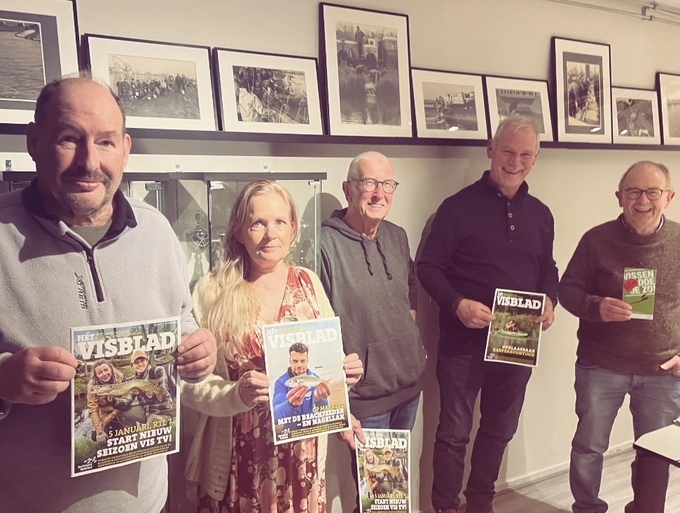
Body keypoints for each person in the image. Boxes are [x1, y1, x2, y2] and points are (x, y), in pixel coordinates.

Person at [0, 75, 217, 513]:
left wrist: (199, 347)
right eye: (69, 138)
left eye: (105, 142)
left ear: (125, 148)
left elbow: (182, 319)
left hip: (149, 502)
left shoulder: (156, 230)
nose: (89, 161)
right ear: (34, 141)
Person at [183, 180, 364, 513]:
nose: (270, 233)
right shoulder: (212, 292)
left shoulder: (308, 282)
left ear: (293, 228)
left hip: (303, 458)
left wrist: (343, 384)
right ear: (238, 230)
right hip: (240, 457)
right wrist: (234, 394)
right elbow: (189, 384)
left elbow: (323, 367)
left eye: (280, 222)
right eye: (258, 223)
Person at [417, 116, 558, 513]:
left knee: (499, 431)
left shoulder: (541, 214)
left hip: (517, 342)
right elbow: (427, 267)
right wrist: (457, 303)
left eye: (525, 154)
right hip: (463, 345)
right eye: (508, 151)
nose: (515, 161)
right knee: (454, 434)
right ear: (490, 150)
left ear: (535, 158)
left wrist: (551, 298)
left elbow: (547, 266)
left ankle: (480, 503)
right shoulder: (456, 208)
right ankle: (445, 506)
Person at [559, 161, 680, 513]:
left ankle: (644, 508)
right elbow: (567, 289)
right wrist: (595, 307)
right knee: (589, 446)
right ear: (619, 197)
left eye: (652, 192)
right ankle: (587, 508)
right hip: (602, 365)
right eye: (633, 192)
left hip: (663, 368)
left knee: (654, 452)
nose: (643, 200)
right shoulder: (596, 240)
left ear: (668, 197)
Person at [272, 342, 330, 421]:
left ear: (307, 360)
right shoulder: (281, 382)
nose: (299, 365)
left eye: (302, 361)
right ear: (290, 361)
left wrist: (319, 400)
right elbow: (275, 416)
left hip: (313, 427)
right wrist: (290, 405)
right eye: (295, 361)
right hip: (292, 431)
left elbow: (323, 410)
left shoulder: (314, 377)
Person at [86, 358, 125, 443]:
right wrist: (99, 431)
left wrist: (110, 417)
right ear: (96, 375)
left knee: (120, 435)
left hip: (119, 410)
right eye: (100, 373)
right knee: (95, 436)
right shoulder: (92, 386)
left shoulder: (120, 379)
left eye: (106, 370)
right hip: (104, 412)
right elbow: (93, 408)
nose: (104, 374)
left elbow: (125, 401)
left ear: (111, 368)